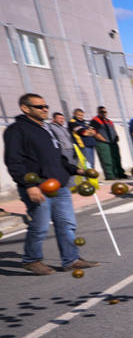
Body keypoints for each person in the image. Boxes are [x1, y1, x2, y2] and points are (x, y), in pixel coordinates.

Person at [4, 93, 97, 274]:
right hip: (38, 186)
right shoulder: (17, 130)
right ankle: (31, 260)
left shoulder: (47, 129)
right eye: (39, 107)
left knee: (67, 224)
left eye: (45, 106)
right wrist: (28, 185)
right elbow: (13, 160)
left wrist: (75, 170)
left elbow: (57, 158)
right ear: (25, 108)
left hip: (59, 186)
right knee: (40, 226)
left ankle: (71, 259)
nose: (45, 109)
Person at [89, 106, 126, 179]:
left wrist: (116, 137)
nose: (104, 113)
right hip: (103, 144)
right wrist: (104, 140)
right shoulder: (95, 120)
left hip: (113, 143)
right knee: (107, 160)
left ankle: (119, 173)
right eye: (102, 112)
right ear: (98, 112)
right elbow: (94, 132)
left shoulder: (109, 121)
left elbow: (113, 130)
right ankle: (110, 175)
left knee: (116, 158)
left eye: (105, 112)